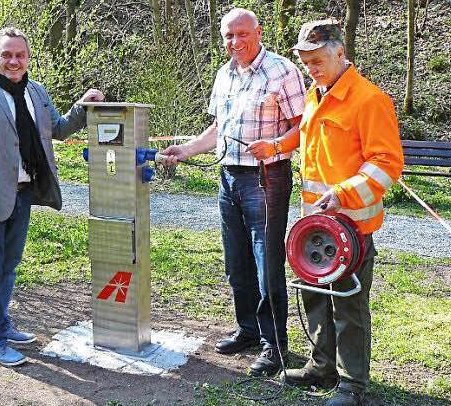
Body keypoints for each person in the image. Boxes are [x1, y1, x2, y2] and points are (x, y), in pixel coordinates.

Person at [161, 8, 306, 376]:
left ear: (258, 32)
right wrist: (186, 149)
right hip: (228, 177)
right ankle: (248, 329)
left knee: (265, 264)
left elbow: (304, 127)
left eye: (242, 34)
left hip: (266, 177)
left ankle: (275, 346)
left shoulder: (282, 70)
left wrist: (274, 145)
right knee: (236, 261)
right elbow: (217, 129)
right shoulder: (224, 74)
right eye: (228, 36)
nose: (235, 42)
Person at [0, 27, 104, 367]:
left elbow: (58, 129)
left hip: (23, 195)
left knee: (9, 267)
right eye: (6, 55)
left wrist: (81, 107)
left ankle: (3, 325)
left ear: (28, 57)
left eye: (19, 55)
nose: (13, 61)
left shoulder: (36, 91)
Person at [279, 20, 404, 406]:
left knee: (348, 304)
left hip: (352, 226)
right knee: (316, 296)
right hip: (315, 226)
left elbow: (386, 163)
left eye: (317, 60)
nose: (310, 69)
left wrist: (344, 192)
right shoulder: (317, 95)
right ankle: (322, 366)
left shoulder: (369, 100)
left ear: (339, 53)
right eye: (305, 62)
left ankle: (353, 385)